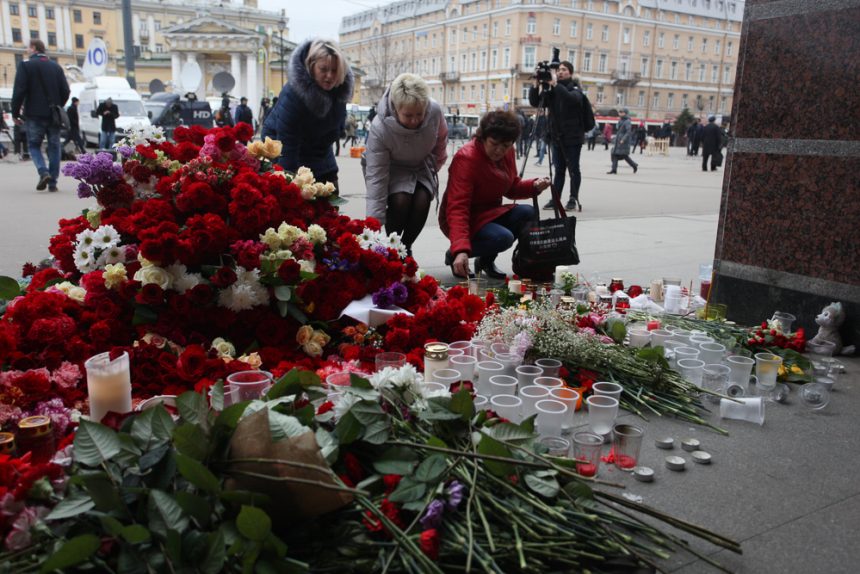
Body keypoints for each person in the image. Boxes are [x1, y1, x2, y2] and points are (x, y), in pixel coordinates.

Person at [440, 110, 551, 280]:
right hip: (465, 217)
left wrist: (534, 186)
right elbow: (457, 208)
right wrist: (460, 248)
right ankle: (454, 255)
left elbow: (511, 187)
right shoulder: (467, 158)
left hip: (490, 213)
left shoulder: (508, 152)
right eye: (494, 143)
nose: (499, 150)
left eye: (505, 145)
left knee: (528, 213)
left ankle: (485, 261)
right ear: (483, 137)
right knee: (503, 238)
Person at [363, 73, 448, 257]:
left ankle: (406, 247)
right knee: (401, 200)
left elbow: (441, 141)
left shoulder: (434, 110)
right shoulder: (380, 127)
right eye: (408, 115)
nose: (415, 120)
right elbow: (376, 176)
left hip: (421, 165)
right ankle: (390, 247)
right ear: (396, 108)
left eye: (419, 114)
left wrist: (435, 167)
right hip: (392, 168)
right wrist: (373, 227)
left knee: (422, 199)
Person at [264, 38, 353, 190]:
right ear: (311, 66)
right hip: (284, 146)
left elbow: (335, 129)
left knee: (331, 193)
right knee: (298, 198)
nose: (330, 76)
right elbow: (287, 143)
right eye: (323, 69)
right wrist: (289, 183)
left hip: (320, 150)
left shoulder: (340, 91)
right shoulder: (293, 94)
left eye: (334, 70)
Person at [11, 38, 70, 192]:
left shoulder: (25, 66)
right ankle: (53, 183)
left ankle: (43, 171)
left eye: (28, 48)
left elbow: (19, 91)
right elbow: (65, 91)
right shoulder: (56, 67)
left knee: (34, 145)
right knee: (54, 147)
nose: (27, 50)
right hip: (53, 114)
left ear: (34, 48)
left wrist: (15, 113)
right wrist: (57, 105)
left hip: (34, 114)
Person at [528, 60, 586, 211]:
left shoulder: (575, 89)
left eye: (564, 69)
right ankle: (556, 198)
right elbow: (536, 102)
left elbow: (570, 99)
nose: (560, 72)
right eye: (559, 70)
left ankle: (573, 198)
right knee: (559, 170)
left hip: (573, 137)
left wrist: (554, 84)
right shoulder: (553, 90)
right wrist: (536, 85)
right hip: (556, 137)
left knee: (573, 169)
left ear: (570, 73)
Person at [607, 108, 638, 175]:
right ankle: (614, 170)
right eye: (619, 112)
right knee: (615, 154)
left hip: (623, 142)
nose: (620, 113)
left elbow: (628, 132)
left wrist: (623, 139)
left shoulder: (627, 121)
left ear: (625, 113)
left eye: (621, 112)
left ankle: (634, 165)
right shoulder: (620, 120)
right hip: (618, 141)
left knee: (624, 156)